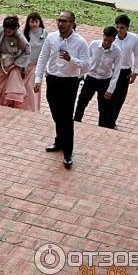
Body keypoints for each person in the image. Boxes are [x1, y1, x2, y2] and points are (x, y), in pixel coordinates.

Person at [34, 10, 90, 169]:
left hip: (69, 82)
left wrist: (71, 59)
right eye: (59, 20)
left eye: (64, 21)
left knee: (66, 118)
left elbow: (87, 65)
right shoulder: (51, 38)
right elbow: (42, 58)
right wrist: (38, 79)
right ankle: (59, 141)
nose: (60, 24)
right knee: (56, 114)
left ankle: (68, 151)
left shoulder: (80, 42)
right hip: (52, 80)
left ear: (72, 23)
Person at [73, 26, 122, 128]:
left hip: (105, 80)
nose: (106, 43)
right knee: (82, 101)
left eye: (110, 41)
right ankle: (76, 122)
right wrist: (81, 76)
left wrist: (110, 89)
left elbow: (116, 72)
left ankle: (101, 128)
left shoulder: (117, 52)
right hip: (91, 77)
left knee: (103, 108)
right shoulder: (93, 45)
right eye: (105, 40)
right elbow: (86, 61)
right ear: (103, 36)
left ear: (114, 39)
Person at [111, 14, 138, 129]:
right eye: (117, 27)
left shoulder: (133, 38)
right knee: (110, 96)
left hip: (125, 72)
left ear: (127, 28)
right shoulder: (112, 37)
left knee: (120, 99)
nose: (119, 30)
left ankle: (112, 121)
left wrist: (135, 71)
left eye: (122, 27)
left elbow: (137, 55)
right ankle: (106, 119)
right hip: (112, 71)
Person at [0, 16, 30, 108]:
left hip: (14, 65)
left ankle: (12, 105)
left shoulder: (20, 37)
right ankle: (3, 104)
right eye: (5, 30)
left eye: (9, 31)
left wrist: (16, 64)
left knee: (13, 87)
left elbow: (27, 51)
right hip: (3, 65)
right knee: (2, 88)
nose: (6, 33)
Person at [22, 12, 47, 112]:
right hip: (27, 65)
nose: (34, 24)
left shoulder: (44, 33)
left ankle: (33, 108)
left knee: (32, 86)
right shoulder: (25, 34)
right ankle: (24, 106)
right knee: (25, 87)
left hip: (38, 66)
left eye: (36, 21)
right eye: (32, 21)